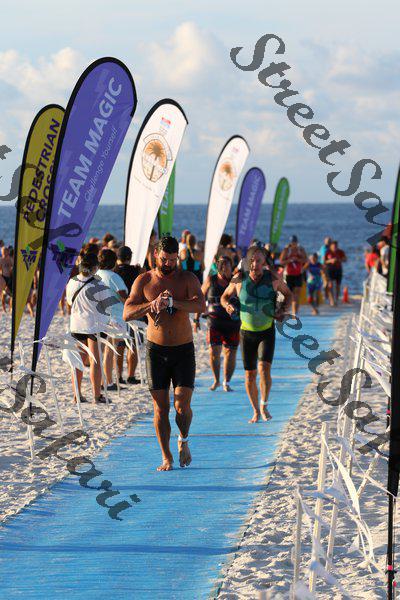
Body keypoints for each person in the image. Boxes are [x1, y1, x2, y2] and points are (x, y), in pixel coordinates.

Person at [123, 236, 206, 472]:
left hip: (183, 350)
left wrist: (174, 303)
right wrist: (151, 305)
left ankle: (184, 440)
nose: (168, 264)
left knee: (182, 406)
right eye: (164, 259)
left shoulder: (187, 278)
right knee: (160, 408)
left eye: (172, 259)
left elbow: (201, 306)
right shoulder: (144, 280)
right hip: (156, 352)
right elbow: (127, 313)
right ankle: (166, 456)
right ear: (155, 256)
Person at [221, 246, 292, 423]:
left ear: (264, 262)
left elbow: (288, 294)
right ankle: (255, 410)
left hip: (266, 331)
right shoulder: (239, 279)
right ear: (247, 261)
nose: (255, 264)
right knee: (250, 375)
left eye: (259, 261)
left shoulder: (273, 278)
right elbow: (224, 297)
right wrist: (227, 306)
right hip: (246, 333)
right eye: (252, 261)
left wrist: (283, 310)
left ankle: (264, 404)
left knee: (264, 368)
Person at [65, 253, 110, 404]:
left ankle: (77, 395)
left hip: (76, 324)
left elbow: (69, 302)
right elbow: (106, 305)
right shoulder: (98, 284)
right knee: (95, 360)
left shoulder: (72, 282)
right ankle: (97, 395)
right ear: (95, 268)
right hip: (94, 325)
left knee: (78, 360)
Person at [196, 255, 240, 392]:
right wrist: (196, 318)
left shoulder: (236, 281)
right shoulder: (211, 280)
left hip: (233, 322)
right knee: (214, 352)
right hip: (214, 321)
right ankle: (216, 380)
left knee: (230, 352)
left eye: (228, 266)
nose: (225, 269)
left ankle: (227, 381)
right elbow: (200, 298)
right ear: (218, 267)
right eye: (223, 266)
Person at [97, 249, 128, 389]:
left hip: (99, 316)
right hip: (113, 317)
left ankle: (104, 381)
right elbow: (123, 295)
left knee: (102, 351)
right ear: (114, 262)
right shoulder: (113, 277)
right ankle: (107, 382)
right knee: (109, 351)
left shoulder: (96, 275)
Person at [115, 245, 144, 384]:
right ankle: (131, 376)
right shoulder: (136, 271)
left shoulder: (114, 272)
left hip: (117, 311)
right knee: (134, 344)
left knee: (119, 345)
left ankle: (118, 376)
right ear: (129, 257)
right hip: (134, 310)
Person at [279, 235, 307, 315]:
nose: (294, 244)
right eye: (292, 242)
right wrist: (290, 260)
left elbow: (306, 260)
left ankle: (295, 313)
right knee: (288, 295)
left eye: (295, 242)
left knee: (296, 294)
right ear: (290, 243)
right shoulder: (286, 250)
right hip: (288, 275)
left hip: (298, 274)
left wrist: (298, 259)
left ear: (297, 242)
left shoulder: (300, 250)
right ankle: (284, 311)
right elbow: (281, 262)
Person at [324, 240, 347, 306]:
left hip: (338, 269)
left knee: (338, 285)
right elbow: (324, 261)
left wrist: (339, 260)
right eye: (333, 246)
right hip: (330, 269)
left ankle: (336, 299)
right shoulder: (327, 252)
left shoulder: (340, 251)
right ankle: (331, 300)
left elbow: (345, 259)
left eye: (336, 246)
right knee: (330, 285)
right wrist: (331, 261)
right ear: (330, 246)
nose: (335, 248)